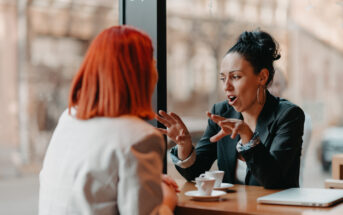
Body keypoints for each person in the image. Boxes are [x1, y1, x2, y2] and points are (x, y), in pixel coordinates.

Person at [39, 26, 178, 215]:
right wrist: (167, 197)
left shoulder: (69, 118)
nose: (155, 69)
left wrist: (149, 181)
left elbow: (90, 187)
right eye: (151, 62)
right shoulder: (140, 137)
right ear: (139, 74)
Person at [156, 30, 305, 189]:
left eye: (235, 77)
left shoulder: (288, 115)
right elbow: (195, 172)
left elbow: (273, 180)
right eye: (223, 78)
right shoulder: (221, 112)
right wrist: (184, 145)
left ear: (262, 77)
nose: (226, 86)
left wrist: (248, 136)